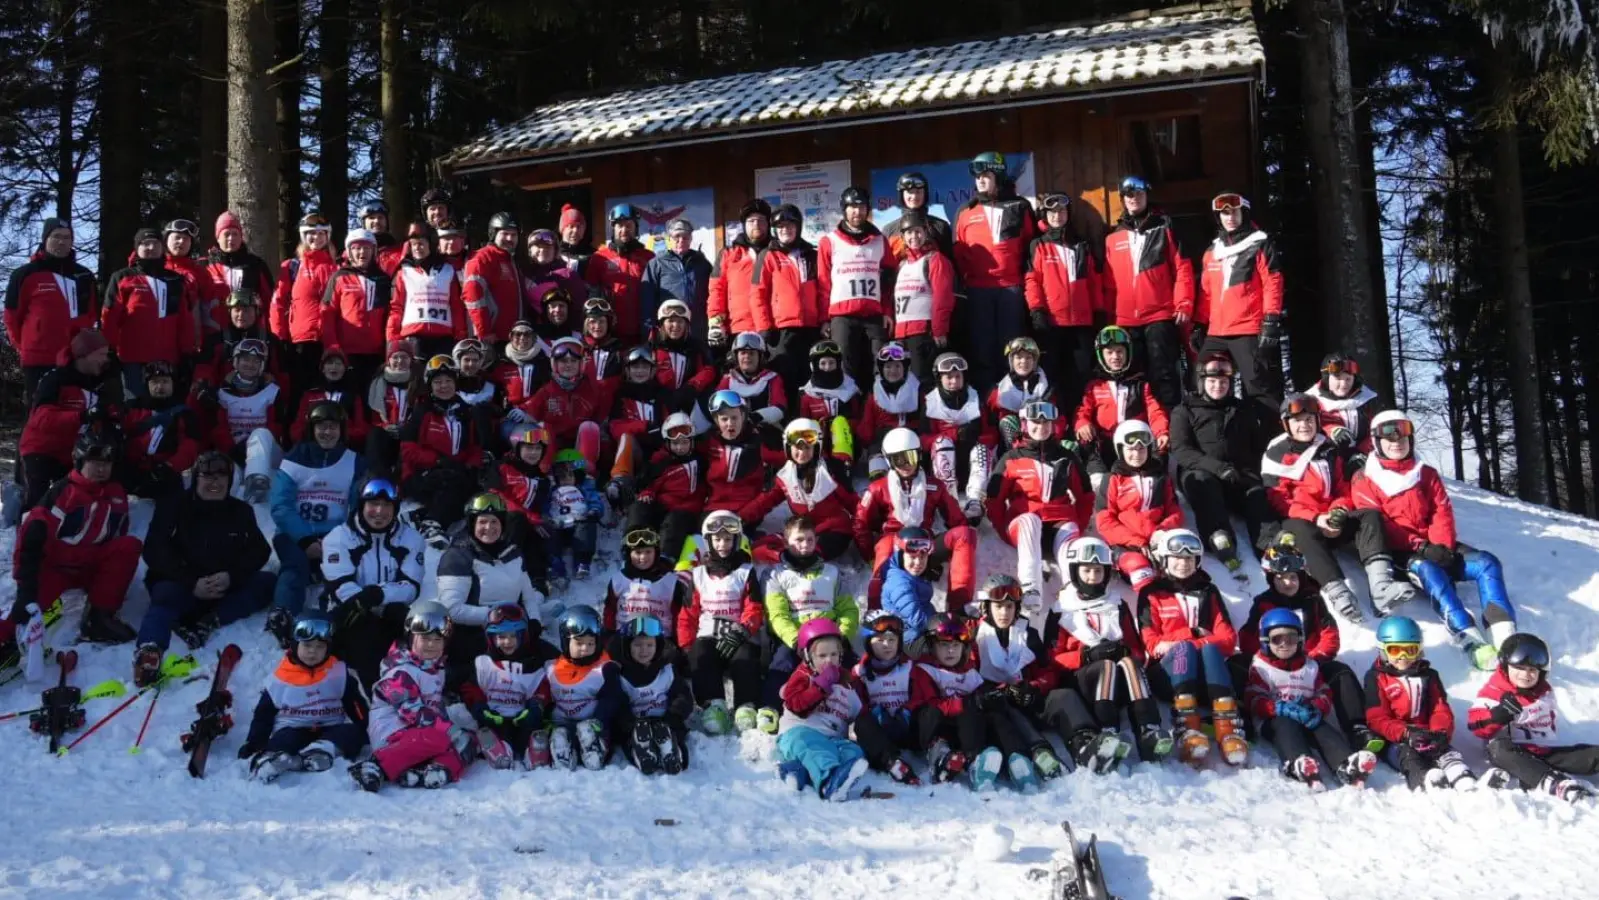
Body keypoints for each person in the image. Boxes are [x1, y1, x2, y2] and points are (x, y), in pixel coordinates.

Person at [1351, 409, 1515, 668]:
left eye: (1402, 436)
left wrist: (1442, 547)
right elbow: (1381, 524)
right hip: (1401, 553)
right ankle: (1469, 638)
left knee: (1487, 563)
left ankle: (1506, 636)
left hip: (1436, 547)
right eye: (1389, 438)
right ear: (1376, 442)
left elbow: (1442, 509)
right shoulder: (1364, 478)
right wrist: (1422, 547)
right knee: (1431, 572)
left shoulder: (1424, 473)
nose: (1397, 443)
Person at [134, 451, 274, 683]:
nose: (215, 483)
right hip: (182, 586)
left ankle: (210, 621)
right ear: (197, 478)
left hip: (222, 588)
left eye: (221, 478)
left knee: (266, 582)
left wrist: (231, 576)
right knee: (164, 596)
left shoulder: (241, 511)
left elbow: (260, 551)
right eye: (208, 477)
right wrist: (191, 582)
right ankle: (149, 653)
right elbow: (154, 550)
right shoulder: (173, 506)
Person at [1233, 541, 1377, 752]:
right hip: (1273, 663)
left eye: (1292, 577)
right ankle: (1242, 721)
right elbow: (1247, 637)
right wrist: (1267, 655)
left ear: (1301, 576)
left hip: (1309, 665)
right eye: (1281, 578)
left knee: (1340, 671)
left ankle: (1357, 729)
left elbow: (1330, 635)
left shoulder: (1313, 600)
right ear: (1271, 578)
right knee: (1237, 664)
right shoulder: (1263, 602)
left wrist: (1313, 659)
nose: (1287, 583)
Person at [5, 432, 141, 651]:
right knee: (26, 611)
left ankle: (99, 618)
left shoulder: (116, 493)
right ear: (80, 461)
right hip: (57, 568)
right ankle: (6, 637)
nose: (101, 469)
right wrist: (26, 591)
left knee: (129, 546)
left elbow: (118, 535)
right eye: (95, 463)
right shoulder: (63, 492)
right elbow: (30, 541)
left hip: (91, 566)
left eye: (106, 463)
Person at [1262, 393, 1387, 622]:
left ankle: (1381, 584)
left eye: (1309, 419)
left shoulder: (1327, 447)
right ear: (1286, 423)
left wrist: (1339, 511)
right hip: (1304, 520)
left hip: (1332, 516)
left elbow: (1342, 487)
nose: (1304, 425)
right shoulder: (1276, 453)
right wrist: (1317, 517)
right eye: (1297, 420)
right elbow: (1279, 500)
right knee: (1298, 529)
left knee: (1369, 516)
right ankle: (1338, 591)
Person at [1051, 536, 1171, 767]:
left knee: (1128, 663)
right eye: (1086, 571)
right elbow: (1053, 658)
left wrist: (1124, 651)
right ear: (1075, 572)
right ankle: (1108, 731)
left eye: (1098, 571)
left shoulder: (1116, 604)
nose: (1092, 578)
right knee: (1105, 665)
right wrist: (1086, 655)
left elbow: (1138, 650)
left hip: (1121, 683)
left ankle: (1148, 730)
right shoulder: (1061, 608)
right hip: (1083, 682)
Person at [1136, 529, 1246, 765]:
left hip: (1207, 676)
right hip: (1168, 675)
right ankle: (1188, 730)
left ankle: (1228, 730)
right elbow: (1153, 644)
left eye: (1188, 559)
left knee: (1209, 649)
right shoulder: (1151, 593)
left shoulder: (1208, 591)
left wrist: (1196, 642)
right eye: (1176, 558)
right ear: (1165, 559)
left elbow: (1227, 639)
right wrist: (1192, 634)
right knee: (1185, 649)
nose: (1182, 564)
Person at [1245, 608, 1378, 789]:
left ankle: (1345, 763)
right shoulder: (1261, 667)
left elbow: (1324, 692)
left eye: (1290, 638)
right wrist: (1278, 708)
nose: (1284, 644)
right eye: (1277, 639)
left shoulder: (1310, 666)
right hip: (1276, 721)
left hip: (1306, 715)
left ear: (1300, 639)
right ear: (1265, 641)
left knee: (1321, 727)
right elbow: (1253, 698)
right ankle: (1298, 761)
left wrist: (1316, 707)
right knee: (1285, 725)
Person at [1365, 616, 1503, 791]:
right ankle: (1426, 781)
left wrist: (1440, 732)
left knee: (1447, 752)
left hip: (1427, 734)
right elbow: (1376, 718)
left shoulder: (1429, 675)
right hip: (1394, 740)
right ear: (1382, 650)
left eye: (1410, 650)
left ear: (1419, 650)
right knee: (1408, 755)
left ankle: (1464, 779)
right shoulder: (1377, 678)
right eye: (1395, 650)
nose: (1403, 657)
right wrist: (1406, 733)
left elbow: (1440, 708)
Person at [348, 600, 474, 791]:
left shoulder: (434, 668)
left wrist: (460, 735)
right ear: (410, 637)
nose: (431, 645)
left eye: (437, 640)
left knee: (467, 742)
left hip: (420, 734)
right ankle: (377, 765)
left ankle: (436, 771)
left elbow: (435, 709)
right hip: (393, 737)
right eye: (425, 639)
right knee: (443, 738)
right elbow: (416, 714)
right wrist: (451, 731)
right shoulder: (399, 672)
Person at [266, 401, 364, 645]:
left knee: (342, 567)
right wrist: (306, 539)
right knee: (295, 564)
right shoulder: (294, 460)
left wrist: (342, 535)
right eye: (321, 427)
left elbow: (359, 504)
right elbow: (281, 505)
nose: (327, 432)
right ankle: (283, 613)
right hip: (296, 533)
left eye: (332, 427)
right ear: (312, 429)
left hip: (335, 533)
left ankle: (339, 612)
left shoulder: (354, 462)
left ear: (341, 430)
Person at [1169, 351, 1274, 573]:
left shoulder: (1240, 409)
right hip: (1201, 471)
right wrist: (1217, 467)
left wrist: (1253, 472)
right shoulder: (1185, 410)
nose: (1218, 386)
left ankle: (1269, 544)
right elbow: (1181, 449)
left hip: (1237, 472)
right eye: (1213, 381)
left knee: (1257, 494)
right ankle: (1219, 538)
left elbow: (1256, 446)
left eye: (1223, 381)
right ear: (1202, 382)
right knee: (1204, 484)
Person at [986, 399, 1093, 612]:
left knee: (1068, 534)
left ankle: (1074, 588)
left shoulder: (1066, 456)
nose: (1041, 428)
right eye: (1035, 423)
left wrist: (1078, 525)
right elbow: (994, 499)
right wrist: (1001, 529)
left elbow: (1086, 495)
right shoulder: (1011, 458)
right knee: (1030, 520)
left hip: (1059, 522)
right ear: (1024, 425)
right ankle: (1030, 588)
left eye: (1046, 423)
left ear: (1053, 425)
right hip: (1023, 525)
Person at [239, 611, 370, 783]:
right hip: (294, 728)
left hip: (330, 728)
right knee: (283, 740)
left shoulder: (338, 672)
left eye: (319, 647)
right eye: (307, 646)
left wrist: (365, 728)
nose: (312, 652)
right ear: (295, 645)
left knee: (352, 734)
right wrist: (254, 742)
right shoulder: (280, 679)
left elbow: (354, 704)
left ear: (328, 648)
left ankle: (318, 752)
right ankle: (278, 759)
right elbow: (263, 715)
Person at [855, 426, 977, 610]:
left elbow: (956, 521)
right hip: (895, 545)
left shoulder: (934, 486)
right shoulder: (878, 488)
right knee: (886, 544)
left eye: (910, 457)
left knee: (965, 534)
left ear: (919, 456)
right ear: (889, 461)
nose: (906, 464)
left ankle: (958, 607)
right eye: (898, 459)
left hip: (924, 544)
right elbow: (860, 524)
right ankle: (876, 610)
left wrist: (959, 535)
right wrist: (869, 555)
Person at [966, 575, 1068, 791]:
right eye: (999, 607)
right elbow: (965, 670)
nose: (1004, 613)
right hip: (989, 703)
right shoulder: (975, 634)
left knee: (1064, 697)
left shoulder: (1027, 633)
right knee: (1001, 712)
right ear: (987, 607)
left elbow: (1047, 671)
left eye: (1010, 607)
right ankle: (1030, 754)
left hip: (1023, 698)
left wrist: (1034, 686)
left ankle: (1053, 751)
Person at [321, 478, 425, 686]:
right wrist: (367, 601)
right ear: (362, 506)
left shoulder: (411, 539)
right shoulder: (339, 537)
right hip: (349, 612)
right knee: (367, 634)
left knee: (421, 630)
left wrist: (380, 595)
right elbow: (341, 587)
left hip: (388, 609)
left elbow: (411, 587)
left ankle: (425, 683)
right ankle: (373, 690)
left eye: (386, 505)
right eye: (373, 504)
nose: (379, 511)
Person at [1469, 633, 1597, 803]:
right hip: (1510, 753)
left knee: (1591, 754)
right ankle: (1554, 783)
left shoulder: (1542, 691)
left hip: (1543, 752)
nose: (1526, 674)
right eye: (1519, 668)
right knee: (1499, 748)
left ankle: (1531, 775)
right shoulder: (1495, 691)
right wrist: (1496, 716)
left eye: (1532, 670)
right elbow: (1475, 724)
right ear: (1506, 666)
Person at [1101, 176, 1193, 410]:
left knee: (1163, 375)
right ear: (1122, 199)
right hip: (1124, 320)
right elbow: (1109, 282)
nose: (1134, 199)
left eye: (1139, 194)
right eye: (1129, 195)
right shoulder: (1113, 236)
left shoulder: (1164, 227)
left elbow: (1182, 268)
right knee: (1132, 379)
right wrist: (1110, 318)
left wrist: (1183, 303)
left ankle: (1170, 433)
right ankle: (1141, 436)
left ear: (1146, 196)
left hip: (1159, 315)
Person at [952, 153, 1037, 392]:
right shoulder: (964, 212)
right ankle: (987, 401)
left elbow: (1031, 246)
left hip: (1011, 288)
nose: (980, 181)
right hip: (979, 290)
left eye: (985, 176)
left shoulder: (1019, 206)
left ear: (998, 177)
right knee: (982, 348)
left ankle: (1014, 398)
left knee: (1012, 347)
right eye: (977, 177)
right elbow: (959, 252)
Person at [438, 493, 547, 678]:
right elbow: (452, 609)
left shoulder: (513, 553)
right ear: (472, 524)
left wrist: (535, 620)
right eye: (482, 522)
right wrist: (495, 616)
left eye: (494, 522)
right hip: (474, 634)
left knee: (549, 660)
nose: (489, 527)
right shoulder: (458, 556)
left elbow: (527, 595)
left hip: (511, 632)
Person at [677, 512, 767, 734]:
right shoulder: (698, 575)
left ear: (736, 541)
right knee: (701, 654)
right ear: (709, 541)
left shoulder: (745, 572)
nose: (723, 544)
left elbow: (754, 607)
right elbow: (687, 615)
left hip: (738, 633)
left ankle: (745, 705)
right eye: (717, 539)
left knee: (746, 658)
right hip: (709, 634)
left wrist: (743, 630)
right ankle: (714, 704)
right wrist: (687, 647)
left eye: (728, 539)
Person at [764, 515, 860, 720]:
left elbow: (848, 609)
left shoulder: (832, 573)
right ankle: (771, 708)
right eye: (799, 540)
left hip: (830, 635)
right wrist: (794, 639)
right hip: (797, 637)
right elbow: (777, 614)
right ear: (787, 541)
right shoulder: (776, 575)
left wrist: (842, 634)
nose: (805, 545)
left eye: (809, 539)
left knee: (852, 666)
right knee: (781, 664)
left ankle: (860, 707)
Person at [1193, 193, 1284, 409]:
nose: (1229, 217)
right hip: (1216, 331)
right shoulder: (1212, 252)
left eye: (1234, 212)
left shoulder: (1259, 243)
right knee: (1202, 380)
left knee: (1257, 386)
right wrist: (1199, 323)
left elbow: (1273, 281)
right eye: (1224, 213)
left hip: (1248, 328)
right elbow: (1207, 292)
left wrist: (1271, 319)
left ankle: (1269, 438)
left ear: (1243, 213)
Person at [17, 328, 124, 510]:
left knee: (73, 500)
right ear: (84, 355)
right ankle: (26, 532)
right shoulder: (56, 379)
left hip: (72, 453)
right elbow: (41, 419)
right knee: (37, 502)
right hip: (41, 448)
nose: (105, 360)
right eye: (101, 355)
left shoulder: (102, 380)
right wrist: (82, 416)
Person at [1024, 191, 1108, 414]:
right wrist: (1037, 310)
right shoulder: (1038, 245)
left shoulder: (1082, 244)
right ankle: (1056, 427)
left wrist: (1098, 310)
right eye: (1052, 212)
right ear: (1045, 215)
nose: (1057, 216)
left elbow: (1094, 280)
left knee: (1081, 378)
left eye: (1061, 211)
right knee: (1052, 379)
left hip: (1081, 323)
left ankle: (1080, 427)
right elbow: (1033, 281)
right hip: (1052, 323)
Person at [775, 618, 871, 801]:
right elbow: (796, 705)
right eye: (822, 656)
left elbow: (859, 712)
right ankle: (829, 782)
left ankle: (797, 771)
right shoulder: (803, 676)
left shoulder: (847, 683)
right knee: (813, 747)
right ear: (808, 657)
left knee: (854, 752)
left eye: (834, 654)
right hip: (799, 734)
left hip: (833, 739)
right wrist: (819, 687)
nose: (829, 661)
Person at [5, 217, 100, 403]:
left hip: (76, 358)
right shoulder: (26, 274)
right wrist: (23, 346)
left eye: (67, 237)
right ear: (45, 239)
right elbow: (11, 316)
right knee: (40, 413)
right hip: (39, 357)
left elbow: (91, 314)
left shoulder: (84, 275)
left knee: (76, 411)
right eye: (56, 237)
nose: (62, 242)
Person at [400, 355, 488, 546]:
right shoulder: (422, 410)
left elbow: (474, 447)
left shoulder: (465, 412)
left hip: (454, 470)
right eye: (438, 382)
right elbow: (406, 450)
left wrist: (471, 465)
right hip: (420, 473)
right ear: (430, 385)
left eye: (448, 381)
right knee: (452, 485)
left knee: (467, 489)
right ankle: (432, 524)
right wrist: (436, 460)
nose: (444, 386)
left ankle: (421, 516)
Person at [101, 227, 198, 398]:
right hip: (132, 359)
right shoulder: (123, 277)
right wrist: (108, 351)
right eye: (145, 244)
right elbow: (110, 317)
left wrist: (186, 352)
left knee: (166, 408)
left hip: (167, 359)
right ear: (137, 248)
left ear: (162, 247)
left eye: (155, 243)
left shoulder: (175, 280)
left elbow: (185, 320)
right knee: (135, 409)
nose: (151, 248)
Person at [742, 419, 858, 561]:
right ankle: (785, 555)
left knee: (805, 555)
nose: (802, 453)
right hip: (802, 531)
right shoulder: (785, 476)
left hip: (833, 532)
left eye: (808, 447)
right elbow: (764, 501)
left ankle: (794, 559)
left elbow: (855, 504)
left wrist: (870, 530)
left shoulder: (832, 471)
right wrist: (739, 518)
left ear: (816, 447)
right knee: (757, 549)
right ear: (788, 448)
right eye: (797, 447)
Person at [818, 186, 894, 388]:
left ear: (867, 209)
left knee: (882, 365)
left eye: (861, 207)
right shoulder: (829, 241)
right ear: (844, 210)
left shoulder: (880, 240)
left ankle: (880, 410)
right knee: (845, 366)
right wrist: (824, 319)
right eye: (852, 207)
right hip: (842, 315)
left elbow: (888, 280)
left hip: (873, 314)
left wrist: (887, 311)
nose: (857, 212)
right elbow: (824, 283)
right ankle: (848, 412)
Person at [1075, 325, 1169, 487]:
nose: (1115, 357)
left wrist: (1161, 432)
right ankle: (1098, 487)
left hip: (1134, 443)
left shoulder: (1140, 384)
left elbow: (1155, 412)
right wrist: (1082, 423)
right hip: (1105, 444)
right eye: (1109, 352)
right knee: (1094, 467)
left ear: (1128, 353)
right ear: (1101, 356)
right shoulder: (1095, 386)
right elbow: (1083, 410)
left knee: (1156, 461)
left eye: (1120, 351)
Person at [850, 610, 936, 786]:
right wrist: (873, 713)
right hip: (882, 731)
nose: (886, 645)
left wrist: (908, 709)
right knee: (862, 723)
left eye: (892, 640)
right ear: (868, 643)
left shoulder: (910, 667)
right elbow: (857, 704)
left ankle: (937, 751)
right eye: (880, 640)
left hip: (908, 727)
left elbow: (923, 694)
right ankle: (892, 763)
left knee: (931, 711)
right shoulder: (859, 673)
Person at [1095, 419, 1182, 593]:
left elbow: (1174, 511)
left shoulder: (1160, 477)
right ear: (1120, 449)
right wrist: (1136, 541)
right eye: (1131, 449)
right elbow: (1105, 521)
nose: (1137, 454)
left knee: (1181, 568)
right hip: (1126, 544)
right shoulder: (1113, 479)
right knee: (1139, 566)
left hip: (1158, 540)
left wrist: (1162, 531)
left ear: (1149, 449)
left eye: (1142, 448)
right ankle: (1149, 607)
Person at [460, 604, 547, 770]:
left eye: (512, 636)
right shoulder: (484, 664)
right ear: (492, 639)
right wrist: (480, 707)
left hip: (521, 715)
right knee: (495, 730)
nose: (507, 642)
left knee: (531, 728)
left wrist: (536, 706)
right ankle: (498, 750)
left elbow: (541, 688)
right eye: (501, 637)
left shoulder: (532, 665)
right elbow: (471, 688)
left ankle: (534, 750)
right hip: (495, 715)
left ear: (522, 636)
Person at [755, 204, 824, 408]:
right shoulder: (767, 255)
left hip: (811, 328)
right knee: (785, 380)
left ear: (799, 227)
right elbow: (757, 294)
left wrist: (824, 321)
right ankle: (785, 425)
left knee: (810, 380)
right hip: (782, 330)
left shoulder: (811, 254)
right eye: (781, 226)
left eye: (790, 225)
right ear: (775, 230)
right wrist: (764, 327)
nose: (786, 230)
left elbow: (823, 290)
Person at [540, 605, 625, 771]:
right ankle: (562, 749)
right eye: (579, 643)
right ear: (566, 641)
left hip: (594, 724)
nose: (585, 649)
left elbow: (612, 697)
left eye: (590, 643)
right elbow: (546, 695)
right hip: (562, 722)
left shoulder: (604, 669)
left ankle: (596, 749)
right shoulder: (552, 667)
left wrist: (600, 719)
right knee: (560, 733)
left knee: (589, 731)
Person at [206, 337, 290, 504]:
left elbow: (276, 427)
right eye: (245, 360)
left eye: (255, 361)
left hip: (266, 452)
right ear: (236, 362)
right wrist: (232, 449)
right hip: (233, 450)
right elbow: (219, 427)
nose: (250, 365)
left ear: (262, 366)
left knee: (260, 434)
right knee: (229, 473)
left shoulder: (271, 391)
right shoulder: (223, 392)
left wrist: (248, 446)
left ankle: (257, 481)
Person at [913, 613, 992, 786]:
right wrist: (961, 704)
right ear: (932, 646)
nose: (951, 651)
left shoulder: (970, 672)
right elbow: (931, 703)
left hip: (960, 728)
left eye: (956, 645)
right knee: (930, 712)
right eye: (944, 645)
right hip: (933, 727)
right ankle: (940, 757)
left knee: (975, 712)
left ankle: (973, 759)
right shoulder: (925, 670)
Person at [614, 614, 694, 775]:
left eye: (649, 645)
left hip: (666, 719)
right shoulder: (621, 676)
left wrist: (674, 715)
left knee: (671, 730)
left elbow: (683, 696)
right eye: (638, 645)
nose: (644, 650)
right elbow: (618, 705)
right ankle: (643, 753)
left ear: (658, 646)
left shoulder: (667, 671)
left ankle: (672, 752)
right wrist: (628, 723)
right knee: (632, 734)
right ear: (628, 646)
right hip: (636, 723)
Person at [272, 213, 339, 401]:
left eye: (321, 233)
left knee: (327, 393)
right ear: (303, 236)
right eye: (311, 233)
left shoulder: (337, 268)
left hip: (329, 341)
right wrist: (280, 338)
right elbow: (278, 303)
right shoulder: (292, 267)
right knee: (299, 394)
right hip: (300, 341)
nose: (316, 238)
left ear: (327, 237)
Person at [481, 423, 554, 596]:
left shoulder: (542, 480)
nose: (534, 453)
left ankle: (537, 581)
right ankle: (501, 566)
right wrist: (528, 516)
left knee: (539, 532)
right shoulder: (502, 467)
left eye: (537, 449)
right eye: (529, 448)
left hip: (523, 524)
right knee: (519, 519)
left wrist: (541, 520)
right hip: (496, 519)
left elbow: (538, 508)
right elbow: (494, 493)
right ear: (517, 447)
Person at [923, 351, 996, 520]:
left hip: (970, 466)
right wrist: (953, 435)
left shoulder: (974, 398)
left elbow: (991, 434)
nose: (954, 381)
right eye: (948, 377)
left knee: (981, 449)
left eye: (957, 376)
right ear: (939, 378)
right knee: (942, 443)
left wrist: (975, 438)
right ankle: (949, 500)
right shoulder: (930, 402)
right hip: (943, 466)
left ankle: (975, 500)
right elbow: (922, 440)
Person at [626, 413, 709, 562]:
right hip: (663, 506)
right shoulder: (661, 461)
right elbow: (650, 482)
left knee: (674, 522)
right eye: (676, 443)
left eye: (684, 442)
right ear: (668, 443)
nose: (680, 447)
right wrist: (647, 493)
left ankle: (665, 558)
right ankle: (635, 546)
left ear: (692, 441)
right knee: (639, 508)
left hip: (686, 511)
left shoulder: (700, 460)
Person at [886, 210, 955, 387]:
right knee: (902, 382)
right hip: (901, 334)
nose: (914, 236)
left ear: (926, 233)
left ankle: (924, 415)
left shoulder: (935, 259)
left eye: (918, 231)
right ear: (902, 236)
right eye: (909, 233)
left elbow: (943, 297)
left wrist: (939, 330)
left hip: (924, 332)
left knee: (921, 382)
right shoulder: (902, 264)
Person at [521, 337, 608, 476]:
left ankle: (584, 476)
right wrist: (521, 413)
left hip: (579, 452)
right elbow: (529, 412)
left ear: (581, 364)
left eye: (573, 361)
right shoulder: (547, 391)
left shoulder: (593, 390)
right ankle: (546, 475)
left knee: (590, 427)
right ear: (554, 364)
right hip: (554, 452)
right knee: (543, 427)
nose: (568, 365)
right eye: (563, 361)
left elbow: (602, 425)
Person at [319, 229, 393, 388]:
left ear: (373, 251)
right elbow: (327, 313)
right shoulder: (340, 277)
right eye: (356, 248)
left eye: (366, 248)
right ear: (349, 252)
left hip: (376, 354)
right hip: (346, 353)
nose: (361, 252)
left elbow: (390, 316)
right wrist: (332, 346)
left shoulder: (384, 280)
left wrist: (389, 350)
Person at [700, 390, 785, 530]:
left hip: (746, 509)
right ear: (716, 420)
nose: (730, 424)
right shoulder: (709, 442)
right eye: (724, 419)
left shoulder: (756, 444)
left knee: (730, 537)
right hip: (714, 507)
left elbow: (787, 458)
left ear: (743, 417)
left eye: (735, 418)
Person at [121, 360, 202, 500]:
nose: (160, 387)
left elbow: (189, 447)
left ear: (173, 384)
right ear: (146, 384)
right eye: (155, 382)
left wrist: (170, 466)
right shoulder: (132, 410)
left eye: (165, 382)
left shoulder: (184, 414)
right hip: (133, 474)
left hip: (167, 476)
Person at [388, 221, 467, 361]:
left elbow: (456, 305)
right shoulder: (404, 272)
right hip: (414, 335)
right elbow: (396, 307)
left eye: (421, 244)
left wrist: (460, 334)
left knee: (442, 377)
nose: (417, 248)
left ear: (430, 244)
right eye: (413, 244)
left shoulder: (447, 270)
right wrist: (393, 337)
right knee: (416, 379)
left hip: (443, 336)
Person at [707, 199, 774, 353]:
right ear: (744, 225)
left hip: (772, 329)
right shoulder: (728, 253)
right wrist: (716, 323)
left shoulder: (777, 252)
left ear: (768, 224)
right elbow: (717, 290)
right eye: (751, 221)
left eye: (761, 220)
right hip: (738, 327)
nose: (756, 224)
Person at [584, 204, 653, 344]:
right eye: (619, 226)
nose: (624, 230)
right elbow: (591, 295)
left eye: (629, 225)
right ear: (613, 228)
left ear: (636, 228)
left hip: (642, 330)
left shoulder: (649, 257)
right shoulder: (600, 257)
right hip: (610, 332)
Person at [604, 527, 686, 644]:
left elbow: (678, 615)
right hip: (625, 637)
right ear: (629, 553)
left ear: (656, 553)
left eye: (648, 552)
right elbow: (610, 611)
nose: (643, 557)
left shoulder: (670, 582)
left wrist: (677, 641)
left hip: (660, 639)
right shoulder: (618, 580)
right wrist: (609, 636)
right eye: (638, 552)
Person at [1304, 351, 1384, 470]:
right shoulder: (1311, 401)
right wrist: (1331, 429)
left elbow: (1377, 430)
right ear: (1327, 378)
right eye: (1337, 378)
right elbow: (1306, 429)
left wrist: (1362, 452)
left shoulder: (1368, 400)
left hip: (1364, 459)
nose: (1343, 384)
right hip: (1326, 462)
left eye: (1348, 378)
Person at [856, 343, 923, 479]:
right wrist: (866, 443)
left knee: (913, 474)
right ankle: (879, 481)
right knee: (876, 457)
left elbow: (925, 420)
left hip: (911, 439)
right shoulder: (874, 394)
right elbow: (867, 423)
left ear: (905, 368)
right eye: (888, 366)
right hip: (883, 440)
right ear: (881, 369)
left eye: (897, 366)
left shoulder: (917, 390)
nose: (893, 370)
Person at [794, 343, 862, 475]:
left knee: (840, 422)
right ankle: (816, 466)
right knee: (811, 426)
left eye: (831, 363)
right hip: (817, 443)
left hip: (846, 442)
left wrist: (837, 424)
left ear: (838, 364)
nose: (827, 368)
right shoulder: (806, 394)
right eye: (823, 363)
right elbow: (801, 423)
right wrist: (822, 425)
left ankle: (843, 466)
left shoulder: (851, 390)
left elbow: (859, 420)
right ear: (814, 366)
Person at [205, 211, 275, 335]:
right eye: (226, 234)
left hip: (250, 332)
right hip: (214, 332)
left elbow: (269, 298)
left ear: (241, 237)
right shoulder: (206, 266)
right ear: (218, 237)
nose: (231, 238)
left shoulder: (255, 264)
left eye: (235, 234)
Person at [641, 218, 711, 338]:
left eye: (685, 237)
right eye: (676, 236)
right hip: (669, 330)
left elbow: (713, 294)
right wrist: (649, 329)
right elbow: (647, 299)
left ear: (691, 239)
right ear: (669, 238)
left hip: (698, 329)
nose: (681, 240)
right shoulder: (657, 263)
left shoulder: (702, 263)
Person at [463, 212, 525, 348]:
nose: (510, 238)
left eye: (514, 235)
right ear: (493, 234)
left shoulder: (510, 260)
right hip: (490, 339)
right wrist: (484, 331)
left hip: (512, 337)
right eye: (505, 234)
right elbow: (472, 296)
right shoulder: (483, 258)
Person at [986, 337, 1058, 451]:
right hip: (1015, 442)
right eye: (1018, 357)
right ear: (1011, 361)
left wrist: (1056, 437)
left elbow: (1059, 417)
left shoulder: (1046, 387)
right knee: (1007, 421)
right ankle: (1019, 454)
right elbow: (990, 422)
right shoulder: (1000, 390)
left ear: (1035, 361)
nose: (1023, 362)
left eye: (1028, 357)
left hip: (1042, 434)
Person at [289, 347, 369, 450]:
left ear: (345, 368)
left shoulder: (352, 395)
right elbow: (297, 428)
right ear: (323, 368)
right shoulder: (310, 395)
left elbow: (362, 428)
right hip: (312, 447)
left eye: (338, 363)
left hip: (343, 448)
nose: (334, 367)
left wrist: (339, 434)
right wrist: (313, 434)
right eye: (330, 363)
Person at [162, 218, 226, 343]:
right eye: (177, 237)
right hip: (157, 338)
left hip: (189, 341)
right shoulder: (154, 267)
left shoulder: (199, 272)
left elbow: (210, 308)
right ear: (166, 240)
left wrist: (211, 340)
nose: (181, 242)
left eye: (186, 239)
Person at [546, 449, 604, 586]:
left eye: (569, 475)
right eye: (561, 476)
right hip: (559, 524)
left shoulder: (585, 488)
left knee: (587, 527)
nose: (565, 480)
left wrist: (594, 511)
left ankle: (582, 562)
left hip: (578, 522)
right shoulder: (553, 491)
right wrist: (546, 517)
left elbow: (595, 501)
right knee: (549, 536)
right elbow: (545, 506)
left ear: (577, 476)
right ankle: (556, 567)